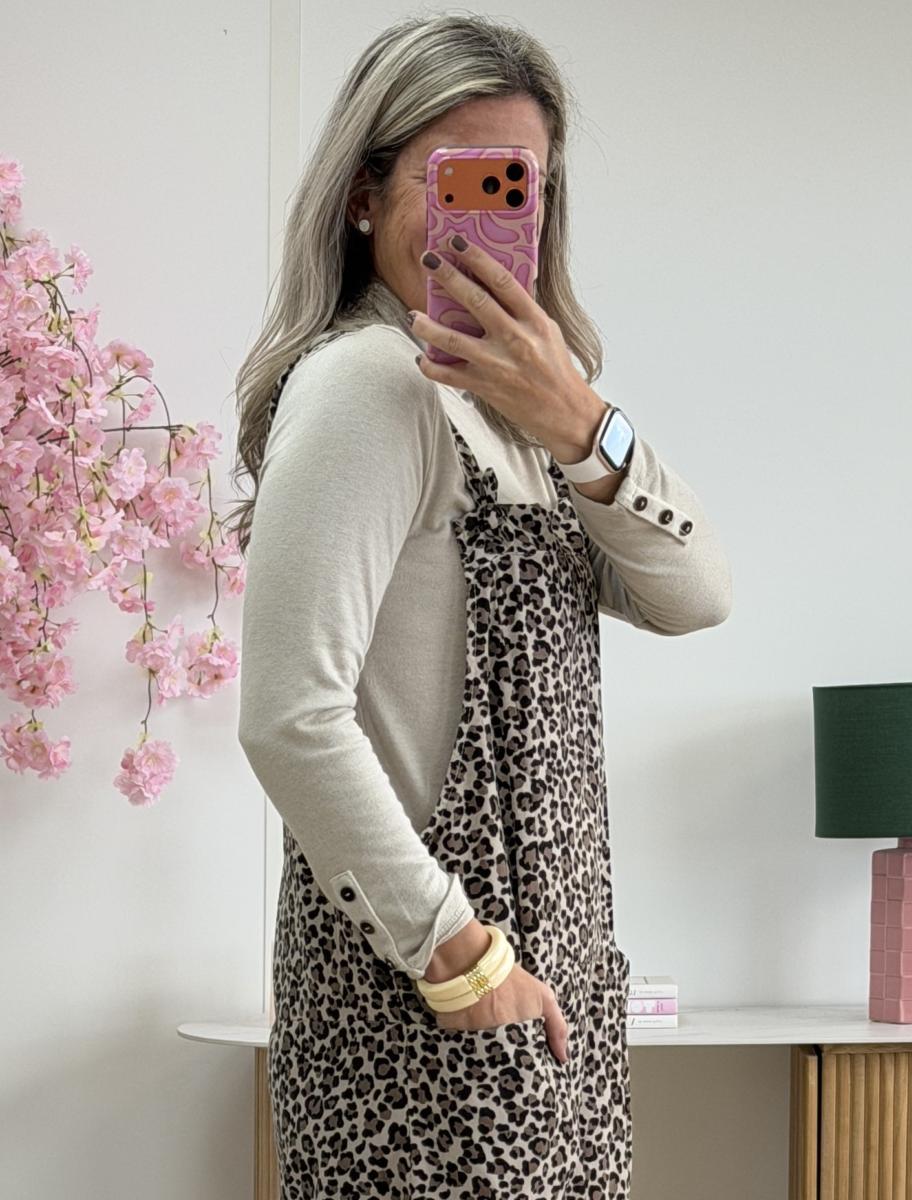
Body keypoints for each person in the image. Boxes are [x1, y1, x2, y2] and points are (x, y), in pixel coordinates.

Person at [232, 12, 732, 1198]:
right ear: (364, 196)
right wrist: (457, 954)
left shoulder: (522, 423)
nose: (493, 216)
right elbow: (290, 715)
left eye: (523, 186)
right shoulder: (370, 384)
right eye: (458, 177)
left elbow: (697, 594)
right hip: (432, 1014)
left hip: (544, 1002)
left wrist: (584, 426)